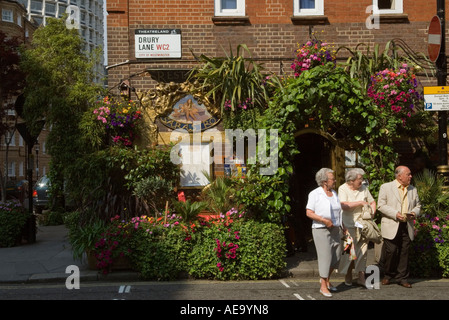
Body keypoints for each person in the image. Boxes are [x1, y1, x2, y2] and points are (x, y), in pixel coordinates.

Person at [377, 165, 421, 288]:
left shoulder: (413, 189)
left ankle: (402, 278)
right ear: (399, 176)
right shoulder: (386, 187)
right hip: (392, 223)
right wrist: (395, 214)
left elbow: (418, 206)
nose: (411, 176)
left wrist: (413, 213)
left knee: (404, 252)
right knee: (391, 251)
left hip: (407, 225)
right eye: (408, 174)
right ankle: (388, 275)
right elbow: (381, 205)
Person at [306, 168, 342, 297]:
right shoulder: (315, 194)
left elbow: (339, 211)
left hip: (336, 229)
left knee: (337, 257)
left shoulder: (334, 193)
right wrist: (323, 220)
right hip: (321, 229)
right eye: (332, 179)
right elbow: (309, 212)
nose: (335, 181)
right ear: (324, 181)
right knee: (325, 257)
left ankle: (326, 279)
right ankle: (323, 286)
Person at [338, 168, 376, 287]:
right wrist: (360, 203)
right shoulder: (343, 188)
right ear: (351, 181)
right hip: (347, 225)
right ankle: (348, 274)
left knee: (363, 251)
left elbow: (372, 202)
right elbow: (343, 205)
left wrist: (372, 213)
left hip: (362, 225)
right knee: (349, 251)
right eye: (360, 179)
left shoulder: (363, 188)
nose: (362, 181)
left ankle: (361, 277)